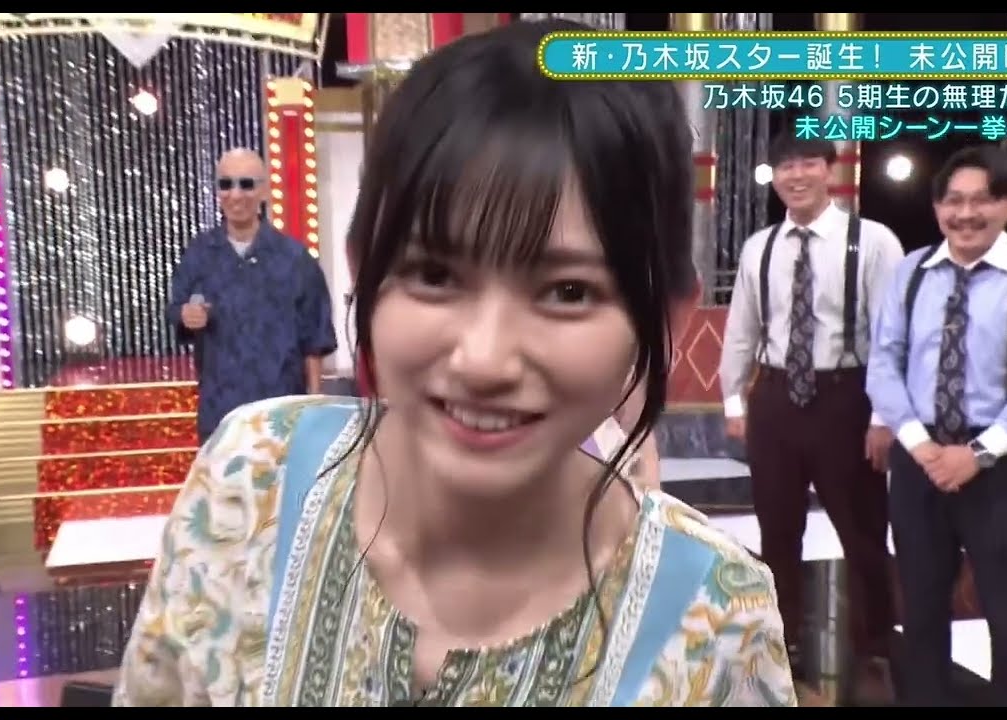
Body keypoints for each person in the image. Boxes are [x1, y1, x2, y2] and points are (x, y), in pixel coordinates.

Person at [114, 20, 795, 707]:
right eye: (435, 275)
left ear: (666, 318)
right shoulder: (250, 480)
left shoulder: (717, 620)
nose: (483, 360)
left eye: (568, 291)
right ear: (365, 273)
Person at [867, 145, 1007, 707]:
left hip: (1002, 467)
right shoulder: (912, 273)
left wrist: (977, 454)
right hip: (920, 463)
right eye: (952, 201)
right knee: (921, 607)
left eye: (981, 200)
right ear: (937, 208)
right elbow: (883, 364)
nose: (965, 214)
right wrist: (922, 447)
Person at [718, 133, 904, 697]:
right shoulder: (760, 247)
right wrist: (735, 400)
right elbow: (742, 329)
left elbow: (893, 334)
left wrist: (885, 416)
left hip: (846, 396)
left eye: (807, 164)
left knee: (862, 529)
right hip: (776, 398)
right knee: (777, 529)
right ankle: (782, 638)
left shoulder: (873, 241)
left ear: (830, 169)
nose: (795, 176)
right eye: (785, 167)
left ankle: (876, 644)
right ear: (774, 177)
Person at [166, 148, 337, 442]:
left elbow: (315, 338)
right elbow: (175, 308)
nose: (235, 194)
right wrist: (185, 314)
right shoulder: (199, 254)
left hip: (282, 416)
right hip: (220, 414)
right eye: (226, 184)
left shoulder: (295, 259)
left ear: (264, 191)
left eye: (246, 184)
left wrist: (313, 405)